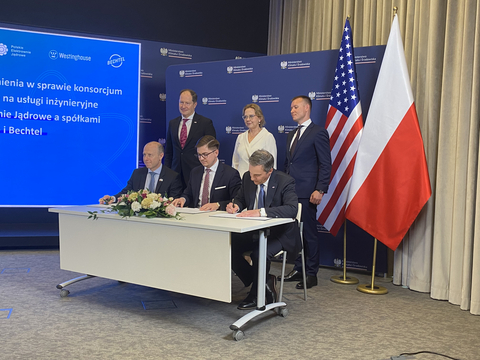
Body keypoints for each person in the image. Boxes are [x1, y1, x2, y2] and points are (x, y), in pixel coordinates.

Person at [227, 150, 301, 310]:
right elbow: (240, 198)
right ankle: (263, 280)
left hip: (280, 233)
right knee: (227, 246)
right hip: (253, 230)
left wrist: (260, 211)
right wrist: (236, 206)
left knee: (259, 253)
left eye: (257, 175)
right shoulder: (247, 176)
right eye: (251, 174)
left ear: (270, 171)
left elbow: (291, 209)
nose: (252, 178)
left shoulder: (285, 181)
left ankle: (256, 295)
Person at [281, 95, 332, 289]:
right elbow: (288, 164)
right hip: (290, 192)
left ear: (307, 108)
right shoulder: (290, 134)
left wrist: (320, 189)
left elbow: (325, 164)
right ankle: (298, 268)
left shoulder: (318, 132)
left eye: (295, 107)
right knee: (294, 233)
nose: (292, 110)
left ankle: (311, 274)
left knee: (309, 234)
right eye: (291, 107)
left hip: (308, 192)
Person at [172, 135, 241, 211]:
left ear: (216, 153)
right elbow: (188, 194)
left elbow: (236, 201)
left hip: (217, 216)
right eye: (199, 155)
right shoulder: (195, 172)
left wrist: (218, 205)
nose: (201, 158)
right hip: (197, 213)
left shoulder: (230, 174)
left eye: (205, 154)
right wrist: (183, 199)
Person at [164, 89, 216, 190]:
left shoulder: (205, 123)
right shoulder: (172, 123)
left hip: (196, 174)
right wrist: (167, 172)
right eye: (181, 102)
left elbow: (211, 151)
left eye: (187, 103)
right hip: (175, 175)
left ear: (195, 104)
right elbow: (169, 151)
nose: (183, 106)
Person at [115, 141, 183, 199]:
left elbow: (173, 201)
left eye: (150, 155)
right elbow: (126, 192)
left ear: (161, 156)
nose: (146, 159)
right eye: (144, 155)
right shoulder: (137, 173)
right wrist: (113, 198)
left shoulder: (172, 177)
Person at [232, 103, 277, 177]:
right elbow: (235, 162)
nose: (248, 119)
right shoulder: (241, 137)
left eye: (251, 116)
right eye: (245, 117)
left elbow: (272, 164)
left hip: (259, 180)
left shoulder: (267, 137)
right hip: (241, 181)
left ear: (259, 118)